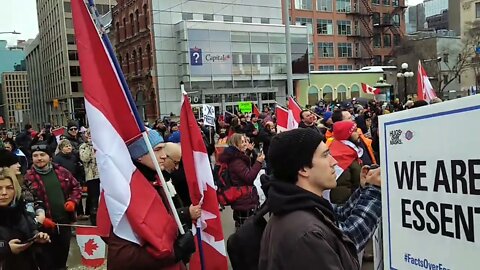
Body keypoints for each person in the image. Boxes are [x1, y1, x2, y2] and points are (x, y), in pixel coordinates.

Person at [258, 128, 382, 270]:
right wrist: (374, 192)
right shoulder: (307, 234)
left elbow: (338, 216)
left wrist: (364, 189)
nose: (334, 161)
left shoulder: (297, 205)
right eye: (325, 155)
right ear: (303, 168)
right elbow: (348, 241)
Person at [103, 130, 196, 270]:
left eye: (163, 149)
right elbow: (122, 257)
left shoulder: (155, 181)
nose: (164, 156)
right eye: (157, 150)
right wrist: (175, 253)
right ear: (139, 155)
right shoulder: (125, 194)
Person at [23, 143, 82, 270]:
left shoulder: (62, 171)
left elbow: (76, 187)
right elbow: (27, 204)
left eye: (42, 155)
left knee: (62, 261)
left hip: (64, 224)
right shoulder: (27, 177)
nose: (39, 158)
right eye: (35, 156)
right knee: (47, 264)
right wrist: (40, 219)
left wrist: (73, 201)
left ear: (50, 157)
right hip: (43, 229)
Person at [0, 167, 51, 270]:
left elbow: (32, 231)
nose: (4, 193)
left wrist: (38, 237)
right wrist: (6, 248)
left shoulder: (21, 212)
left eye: (9, 187)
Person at [218, 133, 264, 227]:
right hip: (244, 199)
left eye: (245, 141)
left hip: (243, 198)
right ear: (235, 144)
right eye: (242, 142)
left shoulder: (236, 157)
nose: (245, 144)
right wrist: (258, 162)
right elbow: (249, 177)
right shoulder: (236, 161)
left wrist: (249, 152)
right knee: (248, 228)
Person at [79, 129, 100, 225]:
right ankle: (94, 221)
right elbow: (85, 158)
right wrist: (90, 146)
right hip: (92, 177)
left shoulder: (101, 145)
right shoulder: (83, 147)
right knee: (94, 199)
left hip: (103, 176)